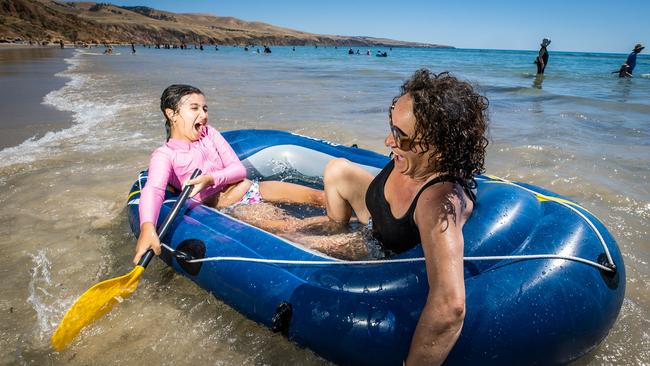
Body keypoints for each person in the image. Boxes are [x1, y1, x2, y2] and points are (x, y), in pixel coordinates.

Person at [322, 69, 488, 365]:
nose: (389, 141)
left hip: (380, 252)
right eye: (391, 126)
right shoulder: (412, 159)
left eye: (402, 136)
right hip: (373, 224)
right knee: (336, 169)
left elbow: (450, 307)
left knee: (287, 233)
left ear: (440, 147)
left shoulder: (438, 203)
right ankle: (330, 225)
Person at [133, 85, 324, 264]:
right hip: (234, 206)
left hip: (252, 187)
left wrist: (210, 179)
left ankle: (353, 216)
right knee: (290, 226)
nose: (203, 114)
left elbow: (238, 170)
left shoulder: (210, 134)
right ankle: (345, 241)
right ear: (172, 114)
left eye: (205, 108)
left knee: (319, 196)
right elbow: (154, 190)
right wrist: (147, 227)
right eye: (195, 108)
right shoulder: (165, 155)